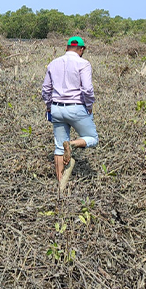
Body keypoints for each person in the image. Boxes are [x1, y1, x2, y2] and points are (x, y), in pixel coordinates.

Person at [41, 36, 99, 187]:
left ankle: (61, 185)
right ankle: (72, 144)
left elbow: (46, 89)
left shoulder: (53, 63)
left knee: (59, 147)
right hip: (76, 107)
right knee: (92, 138)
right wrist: (89, 104)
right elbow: (87, 88)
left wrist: (49, 107)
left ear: (66, 48)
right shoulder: (84, 63)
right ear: (82, 50)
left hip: (56, 108)